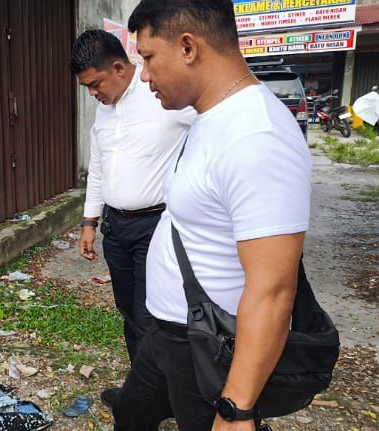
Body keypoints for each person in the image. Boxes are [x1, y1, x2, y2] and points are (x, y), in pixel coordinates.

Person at [111, 1, 312, 430]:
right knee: (130, 415)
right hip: (166, 331)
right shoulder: (209, 116)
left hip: (207, 346)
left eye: (147, 57)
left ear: (188, 47)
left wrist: (235, 409)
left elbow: (273, 289)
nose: (143, 75)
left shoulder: (257, 136)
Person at [70, 29, 194, 406]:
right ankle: (146, 391)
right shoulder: (103, 112)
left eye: (95, 84)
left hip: (155, 227)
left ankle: (150, 399)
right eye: (87, 87)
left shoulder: (164, 98)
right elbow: (98, 167)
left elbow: (212, 122)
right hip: (115, 226)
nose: (92, 93)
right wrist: (89, 222)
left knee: (149, 316)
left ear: (121, 68)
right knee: (128, 310)